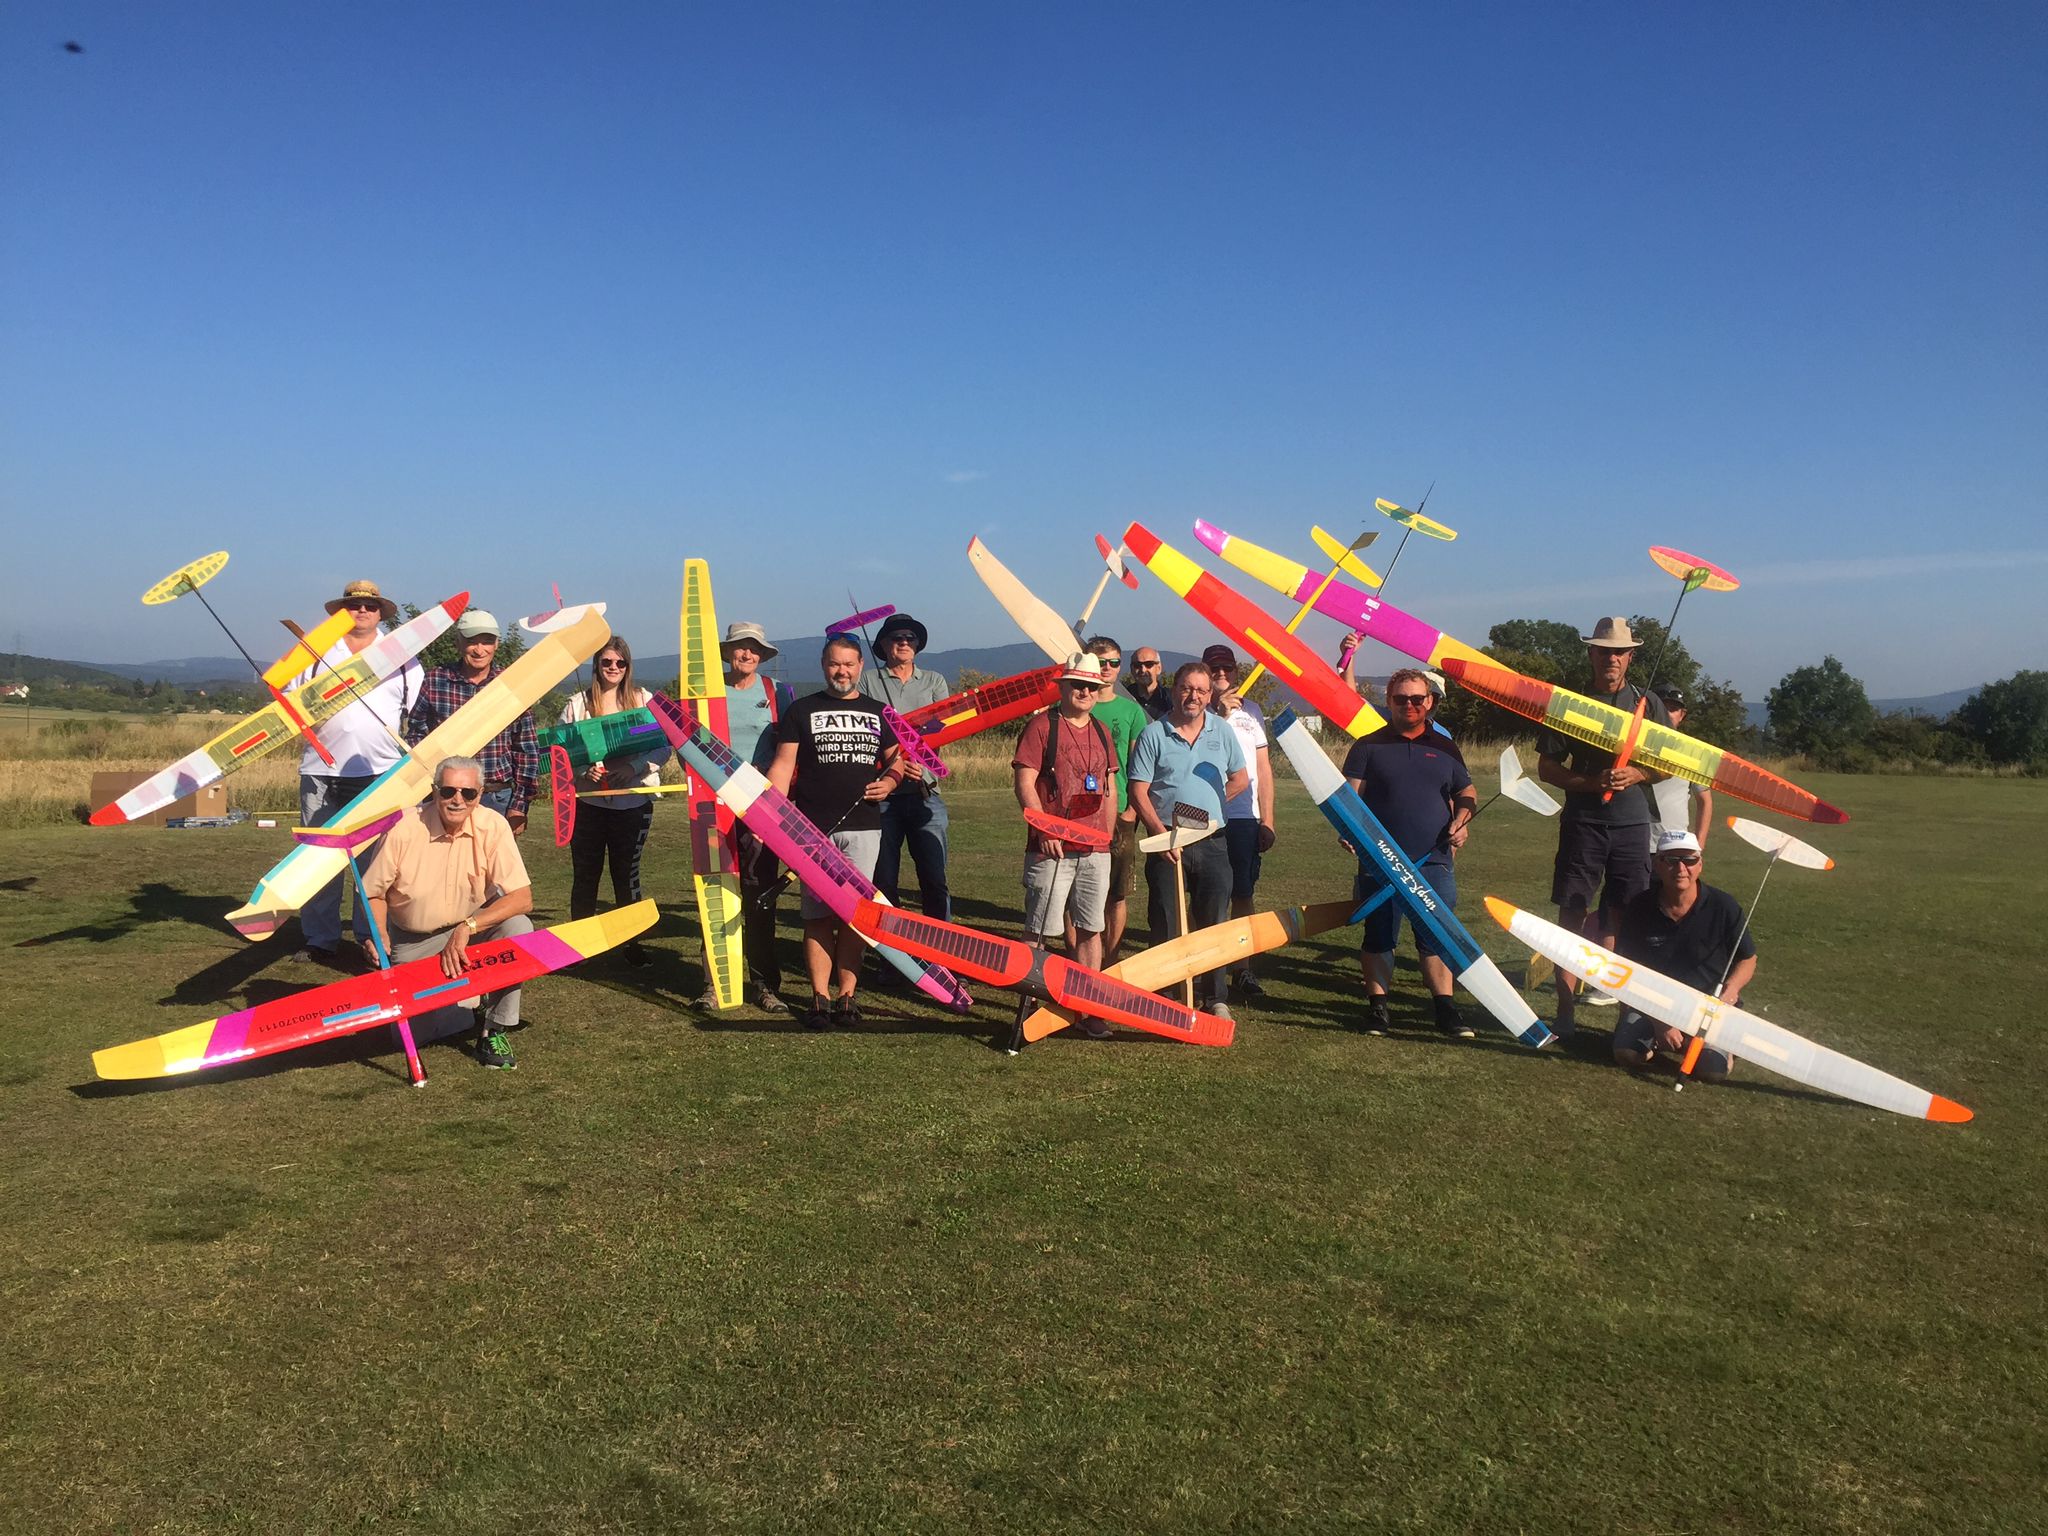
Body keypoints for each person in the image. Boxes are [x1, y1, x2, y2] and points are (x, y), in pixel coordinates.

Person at [1536, 616, 1673, 1038]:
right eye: (1603, 651)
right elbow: (1547, 767)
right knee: (1572, 914)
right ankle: (1564, 1012)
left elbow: (1671, 763)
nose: (1611, 658)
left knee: (1628, 918)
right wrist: (1591, 783)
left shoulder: (1648, 703)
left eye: (1619, 652)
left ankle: (1628, 1018)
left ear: (1631, 657)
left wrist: (1639, 774)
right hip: (1584, 824)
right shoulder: (1570, 704)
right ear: (1591, 654)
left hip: (1633, 825)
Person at [361, 755, 535, 1070]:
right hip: (415, 939)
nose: (457, 800)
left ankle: (494, 1028)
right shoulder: (401, 827)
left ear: (480, 795)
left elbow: (522, 898)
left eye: (468, 793)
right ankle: (469, 999)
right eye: (448, 791)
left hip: (471, 929)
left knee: (519, 927)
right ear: (434, 791)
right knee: (412, 1036)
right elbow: (373, 892)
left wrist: (468, 926)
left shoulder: (493, 824)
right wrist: (380, 934)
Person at [771, 635, 904, 1031]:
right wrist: (772, 818)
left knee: (855, 917)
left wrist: (890, 783)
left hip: (864, 828)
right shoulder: (801, 710)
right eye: (834, 664)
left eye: (848, 664)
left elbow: (898, 760)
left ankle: (847, 996)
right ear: (823, 665)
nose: (841, 671)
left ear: (860, 666)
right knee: (816, 915)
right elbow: (782, 766)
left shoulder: (879, 712)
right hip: (811, 830)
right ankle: (819, 998)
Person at [1342, 667, 1479, 1038]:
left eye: (1418, 699)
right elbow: (1349, 799)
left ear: (1430, 701)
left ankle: (1445, 1009)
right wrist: (1348, 831)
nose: (1410, 705)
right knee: (1378, 935)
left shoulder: (1446, 747)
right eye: (1401, 699)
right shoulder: (1367, 746)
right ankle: (1378, 1009)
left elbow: (1466, 792)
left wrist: (1462, 820)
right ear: (1389, 701)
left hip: (1434, 858)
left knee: (1436, 936)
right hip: (1380, 859)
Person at [293, 579, 422, 969]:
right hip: (320, 771)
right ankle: (320, 939)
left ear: (380, 612)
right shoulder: (315, 653)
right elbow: (292, 704)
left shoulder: (402, 657)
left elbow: (415, 712)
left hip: (379, 773)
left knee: (375, 864)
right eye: (354, 605)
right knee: (319, 860)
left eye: (370, 605)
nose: (362, 610)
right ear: (340, 612)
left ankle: (370, 937)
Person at [1128, 662, 1248, 1018]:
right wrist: (1160, 833)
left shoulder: (1221, 731)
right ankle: (1164, 997)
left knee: (1214, 921)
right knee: (1165, 919)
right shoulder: (1154, 734)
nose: (1193, 696)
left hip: (1213, 841)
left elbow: (1240, 778)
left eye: (1200, 690)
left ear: (1209, 696)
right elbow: (1138, 790)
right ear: (1175, 689)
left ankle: (1215, 998)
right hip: (1166, 839)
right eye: (1186, 688)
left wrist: (1209, 811)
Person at [1011, 653, 1120, 1035]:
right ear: (1064, 688)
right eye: (1078, 685)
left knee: (1091, 929)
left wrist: (1107, 838)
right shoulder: (1042, 726)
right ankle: (1027, 1005)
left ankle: (1089, 1008)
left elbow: (1109, 788)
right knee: (1039, 929)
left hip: (1095, 851)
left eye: (1091, 686)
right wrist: (1045, 831)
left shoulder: (1102, 731)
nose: (1085, 692)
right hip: (1051, 849)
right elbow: (1025, 783)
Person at [558, 637, 670, 967]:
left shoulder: (643, 700)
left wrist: (632, 768)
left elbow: (663, 746)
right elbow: (561, 751)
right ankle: (580, 946)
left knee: (626, 875)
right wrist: (583, 769)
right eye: (607, 662)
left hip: (631, 804)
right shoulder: (577, 704)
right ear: (597, 664)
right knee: (585, 875)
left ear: (628, 666)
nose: (613, 668)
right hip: (588, 804)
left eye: (620, 663)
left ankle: (631, 943)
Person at [1611, 830, 1755, 1081]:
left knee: (1712, 1071)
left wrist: (1731, 989)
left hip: (1708, 1008)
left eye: (1689, 860)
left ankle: (1724, 1047)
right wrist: (1660, 1022)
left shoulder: (1724, 906)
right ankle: (1660, 1041)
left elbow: (1748, 958)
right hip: (1655, 1003)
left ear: (1700, 865)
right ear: (1657, 864)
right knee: (1626, 1053)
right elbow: (1628, 968)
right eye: (1671, 860)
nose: (1681, 868)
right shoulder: (1640, 906)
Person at [402, 608, 541, 831]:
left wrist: (519, 806)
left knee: (492, 855)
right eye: (471, 641)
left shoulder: (512, 683)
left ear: (496, 644)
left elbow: (526, 749)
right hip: (446, 795)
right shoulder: (436, 679)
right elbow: (416, 734)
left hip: (495, 796)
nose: (479, 650)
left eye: (487, 641)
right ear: (458, 643)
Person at [721, 621, 796, 1012]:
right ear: (728, 652)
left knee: (761, 892)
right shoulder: (708, 691)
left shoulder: (777, 692)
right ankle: (715, 983)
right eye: (740, 647)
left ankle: (765, 984)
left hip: (762, 804)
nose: (746, 654)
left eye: (753, 648)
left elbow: (791, 748)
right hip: (715, 803)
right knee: (716, 890)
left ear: (762, 655)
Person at [858, 612, 951, 922]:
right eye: (896, 637)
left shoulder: (934, 680)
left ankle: (941, 946)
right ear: (884, 644)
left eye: (910, 638)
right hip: (885, 797)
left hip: (925, 792)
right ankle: (890, 946)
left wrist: (920, 765)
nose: (904, 642)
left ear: (917, 644)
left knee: (934, 878)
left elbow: (943, 729)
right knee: (884, 881)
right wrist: (896, 765)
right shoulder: (868, 680)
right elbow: (865, 731)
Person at [1201, 645, 1277, 999]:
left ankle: (1242, 969)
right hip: (1207, 815)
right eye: (1214, 668)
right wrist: (1216, 712)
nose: (1221, 674)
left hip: (1245, 817)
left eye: (1227, 668)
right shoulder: (1197, 708)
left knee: (1243, 893)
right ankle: (1204, 966)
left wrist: (1268, 819)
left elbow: (1263, 768)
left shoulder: (1253, 711)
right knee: (1205, 894)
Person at [1083, 635, 1148, 961]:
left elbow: (1139, 765)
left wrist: (1131, 811)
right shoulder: (1077, 701)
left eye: (1114, 662)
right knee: (1079, 892)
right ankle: (1079, 959)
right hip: (1080, 812)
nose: (1107, 668)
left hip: (1120, 810)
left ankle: (1110, 960)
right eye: (1100, 662)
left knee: (1116, 893)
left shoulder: (1131, 711)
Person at [1647, 684, 1712, 850]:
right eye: (1662, 708)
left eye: (1673, 709)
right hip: (1635, 844)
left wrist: (1698, 846)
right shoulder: (1634, 745)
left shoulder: (1693, 752)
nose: (1667, 714)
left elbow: (1705, 801)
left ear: (1682, 715)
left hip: (1675, 845)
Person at [1125, 645, 1173, 721]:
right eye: (1137, 665)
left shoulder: (1171, 700)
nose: (1143, 670)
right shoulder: (1124, 697)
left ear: (1159, 668)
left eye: (1149, 664)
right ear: (1131, 669)